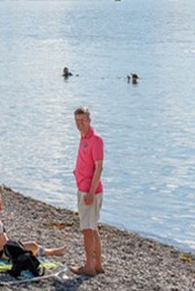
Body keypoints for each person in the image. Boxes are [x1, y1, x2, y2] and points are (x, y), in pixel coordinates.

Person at [0, 191, 66, 265]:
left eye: (0, 201)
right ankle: (53, 252)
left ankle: (52, 251)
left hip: (6, 248)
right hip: (4, 253)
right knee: (33, 245)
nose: (1, 204)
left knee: (27, 245)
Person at [72, 106, 104, 277]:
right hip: (83, 187)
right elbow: (87, 162)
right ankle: (97, 264)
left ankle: (88, 266)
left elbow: (99, 168)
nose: (80, 124)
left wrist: (91, 192)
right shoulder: (83, 137)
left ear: (89, 120)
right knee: (93, 228)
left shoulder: (96, 139)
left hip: (90, 192)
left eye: (83, 120)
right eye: (77, 121)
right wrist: (77, 171)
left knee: (87, 230)